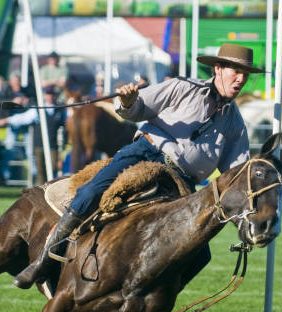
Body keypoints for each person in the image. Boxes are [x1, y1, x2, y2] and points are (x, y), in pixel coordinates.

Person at [14, 43, 264, 289]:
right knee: (90, 192)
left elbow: (236, 173)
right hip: (146, 152)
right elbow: (137, 109)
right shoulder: (182, 87)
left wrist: (253, 207)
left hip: (182, 180)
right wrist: (129, 101)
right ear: (218, 69)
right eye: (236, 71)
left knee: (201, 254)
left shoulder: (235, 124)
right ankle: (45, 259)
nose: (241, 79)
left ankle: (151, 302)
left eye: (245, 75)